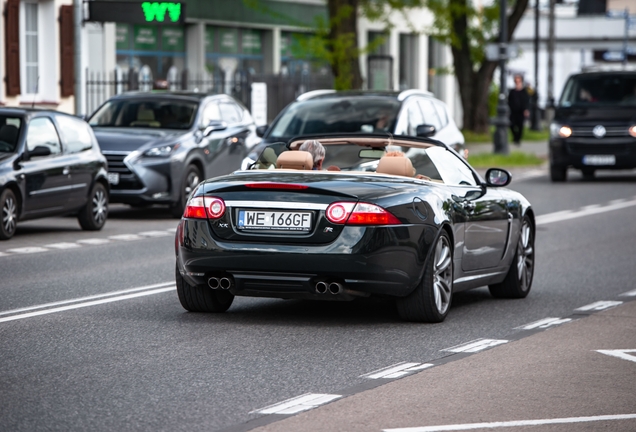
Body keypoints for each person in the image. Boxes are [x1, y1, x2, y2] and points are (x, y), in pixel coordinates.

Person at [508, 74, 530, 145]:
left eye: (518, 81)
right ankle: (515, 137)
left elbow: (526, 101)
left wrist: (526, 109)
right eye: (516, 81)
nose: (517, 82)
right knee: (511, 124)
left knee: (520, 126)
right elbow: (509, 100)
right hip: (513, 111)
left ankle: (518, 139)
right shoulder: (512, 91)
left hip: (521, 111)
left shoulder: (524, 91)